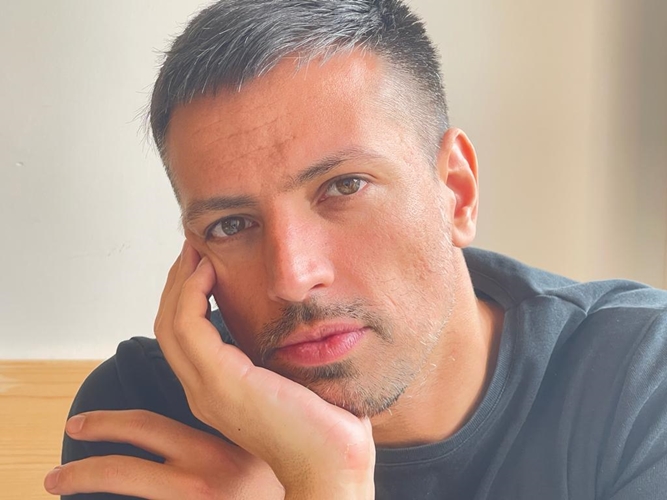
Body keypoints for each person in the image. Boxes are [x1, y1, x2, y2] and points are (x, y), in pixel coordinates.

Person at [44, 1, 667, 499]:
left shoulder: (641, 377)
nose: (292, 276)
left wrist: (319, 488)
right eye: (232, 224)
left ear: (456, 192)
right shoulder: (146, 410)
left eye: (344, 187)